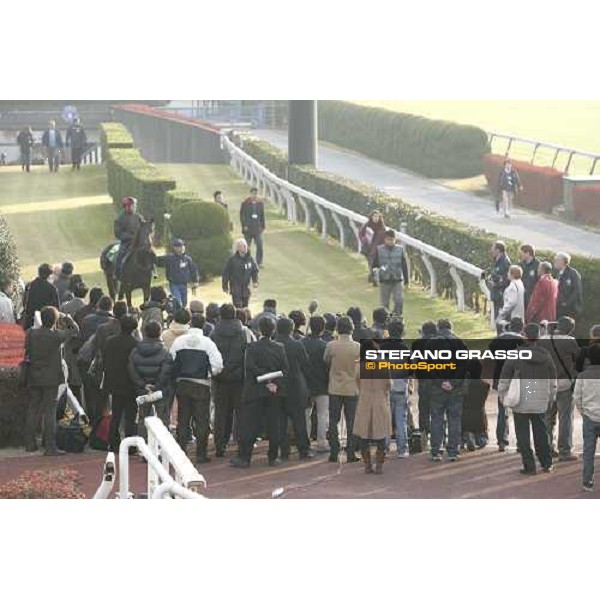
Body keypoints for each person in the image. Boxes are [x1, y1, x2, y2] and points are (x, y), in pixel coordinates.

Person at [499, 323, 557, 475]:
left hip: (520, 400)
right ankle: (547, 463)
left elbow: (504, 377)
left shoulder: (516, 354)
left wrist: (503, 395)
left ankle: (529, 466)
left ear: (524, 335)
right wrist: (551, 396)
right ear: (538, 336)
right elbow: (552, 379)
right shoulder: (546, 355)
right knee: (541, 432)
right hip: (540, 398)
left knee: (522, 434)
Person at [231, 317, 288, 468]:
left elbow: (250, 368)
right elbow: (284, 369)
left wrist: (265, 379)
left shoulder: (252, 348)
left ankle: (245, 457)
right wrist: (272, 382)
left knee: (250, 425)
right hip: (273, 391)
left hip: (255, 391)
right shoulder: (279, 348)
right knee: (274, 424)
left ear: (259, 330)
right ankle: (273, 457)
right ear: (273, 330)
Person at [24, 307, 79, 455]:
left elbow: (27, 350)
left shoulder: (30, 333)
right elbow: (75, 330)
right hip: (51, 377)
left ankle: (30, 443)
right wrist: (67, 317)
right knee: (50, 411)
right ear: (55, 320)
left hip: (34, 374)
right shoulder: (57, 335)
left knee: (33, 408)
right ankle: (50, 446)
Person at [170, 313, 223, 463]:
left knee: (183, 418)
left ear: (190, 323)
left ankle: (181, 452)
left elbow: (171, 360)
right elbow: (218, 365)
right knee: (201, 420)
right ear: (203, 325)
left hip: (183, 383)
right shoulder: (207, 343)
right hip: (201, 384)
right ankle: (201, 453)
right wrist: (210, 374)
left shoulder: (179, 341)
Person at [540, 316, 580, 461]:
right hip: (565, 384)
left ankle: (548, 448)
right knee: (565, 418)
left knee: (547, 418)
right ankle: (565, 450)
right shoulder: (570, 341)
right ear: (570, 329)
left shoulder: (543, 340)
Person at [210, 303, 247, 457]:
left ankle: (220, 445)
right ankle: (243, 445)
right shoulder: (243, 332)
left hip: (220, 378)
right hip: (238, 378)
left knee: (221, 413)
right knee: (241, 412)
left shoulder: (214, 333)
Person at [275, 318, 313, 461]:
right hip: (296, 386)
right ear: (291, 329)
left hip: (279, 385)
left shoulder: (274, 344)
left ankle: (284, 451)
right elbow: (306, 364)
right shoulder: (297, 345)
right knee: (299, 421)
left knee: (281, 422)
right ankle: (303, 450)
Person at [428, 327, 468, 462]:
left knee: (436, 419)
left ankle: (436, 450)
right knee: (454, 420)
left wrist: (440, 382)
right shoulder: (460, 344)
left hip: (437, 389)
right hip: (455, 389)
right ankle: (453, 451)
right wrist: (454, 383)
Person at [324, 316, 361, 464]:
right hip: (352, 388)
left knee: (333, 420)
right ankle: (351, 452)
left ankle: (334, 452)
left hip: (335, 387)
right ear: (352, 329)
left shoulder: (331, 345)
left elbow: (325, 360)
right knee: (352, 421)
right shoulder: (358, 347)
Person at [128, 321, 173, 435]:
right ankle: (163, 445)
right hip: (160, 390)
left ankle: (143, 444)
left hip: (143, 390)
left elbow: (132, 370)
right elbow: (166, 372)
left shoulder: (135, 351)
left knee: (143, 418)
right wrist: (156, 386)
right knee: (163, 419)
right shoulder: (165, 352)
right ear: (159, 333)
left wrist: (143, 385)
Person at [355, 339, 392, 474]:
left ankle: (367, 464)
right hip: (380, 400)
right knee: (381, 435)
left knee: (364, 435)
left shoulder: (358, 365)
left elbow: (357, 383)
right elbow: (389, 384)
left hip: (364, 401)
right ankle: (379, 465)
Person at [104, 315, 140, 451]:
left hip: (114, 382)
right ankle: (130, 446)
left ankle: (113, 443)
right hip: (130, 383)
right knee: (130, 416)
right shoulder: (135, 344)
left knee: (116, 414)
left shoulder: (110, 341)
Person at [489, 317, 524, 451]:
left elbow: (491, 354)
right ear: (521, 327)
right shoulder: (521, 341)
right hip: (517, 379)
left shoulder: (497, 340)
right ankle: (521, 443)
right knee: (520, 411)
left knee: (502, 411)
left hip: (501, 377)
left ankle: (501, 441)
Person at [382, 319, 411, 458]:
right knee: (401, 420)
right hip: (400, 387)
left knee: (386, 420)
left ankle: (384, 448)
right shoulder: (405, 348)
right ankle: (401, 449)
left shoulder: (382, 347)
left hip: (385, 388)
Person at [574, 343, 600, 492]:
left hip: (590, 417)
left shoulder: (582, 375)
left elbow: (577, 397)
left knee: (588, 452)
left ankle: (587, 481)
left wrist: (583, 412)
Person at [302, 315, 330, 453]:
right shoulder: (324, 345)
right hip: (322, 385)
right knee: (322, 415)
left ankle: (305, 442)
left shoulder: (302, 343)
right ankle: (322, 442)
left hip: (306, 384)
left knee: (306, 415)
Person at [371, 229, 409, 318]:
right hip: (384, 280)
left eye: (392, 239)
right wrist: (374, 277)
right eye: (388, 239)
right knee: (384, 304)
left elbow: (404, 265)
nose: (390, 241)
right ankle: (385, 321)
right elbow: (374, 265)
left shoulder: (400, 249)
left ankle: (397, 318)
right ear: (385, 239)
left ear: (395, 239)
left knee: (399, 300)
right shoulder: (379, 249)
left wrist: (407, 280)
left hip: (397, 280)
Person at [412, 320, 438, 447]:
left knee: (423, 409)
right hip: (437, 381)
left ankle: (424, 434)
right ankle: (438, 436)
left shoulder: (417, 343)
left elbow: (412, 363)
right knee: (437, 410)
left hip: (423, 380)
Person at [222, 238, 259, 308]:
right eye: (243, 246)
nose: (245, 248)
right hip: (236, 287)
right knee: (238, 306)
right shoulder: (232, 260)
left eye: (246, 246)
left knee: (245, 307)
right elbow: (226, 273)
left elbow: (254, 270)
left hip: (246, 288)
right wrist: (225, 286)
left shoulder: (250, 259)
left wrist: (255, 281)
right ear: (238, 248)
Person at [461, 360, 490, 451]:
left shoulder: (464, 386)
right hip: (479, 416)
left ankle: (467, 437)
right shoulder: (485, 385)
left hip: (464, 416)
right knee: (482, 436)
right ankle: (479, 439)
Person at [162, 238, 199, 308]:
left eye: (182, 246)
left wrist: (195, 281)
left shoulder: (187, 259)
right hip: (174, 285)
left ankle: (182, 317)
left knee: (184, 303)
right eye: (179, 246)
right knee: (178, 303)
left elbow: (193, 270)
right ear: (174, 248)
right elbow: (158, 261)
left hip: (184, 285)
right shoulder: (169, 258)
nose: (181, 248)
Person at [114, 196, 145, 279]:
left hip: (139, 242)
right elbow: (118, 233)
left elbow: (144, 228)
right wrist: (131, 237)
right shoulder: (119, 218)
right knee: (120, 254)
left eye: (135, 206)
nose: (134, 207)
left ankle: (152, 270)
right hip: (126, 243)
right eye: (132, 206)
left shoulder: (139, 217)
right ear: (126, 206)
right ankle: (117, 273)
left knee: (149, 252)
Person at [23, 263, 59, 329]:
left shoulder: (29, 285)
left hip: (30, 322)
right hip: (46, 324)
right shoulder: (52, 289)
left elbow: (24, 303)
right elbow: (56, 308)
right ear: (49, 275)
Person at [240, 187, 265, 268]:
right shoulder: (245, 203)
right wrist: (244, 226)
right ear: (250, 194)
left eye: (256, 194)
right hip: (248, 228)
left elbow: (262, 216)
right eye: (253, 193)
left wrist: (263, 226)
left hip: (258, 229)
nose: (255, 195)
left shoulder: (260, 204)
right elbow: (242, 216)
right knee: (246, 246)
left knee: (260, 245)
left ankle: (259, 262)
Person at [359, 210, 386, 285]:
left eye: (377, 216)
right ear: (371, 217)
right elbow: (361, 234)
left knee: (374, 263)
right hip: (367, 248)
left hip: (377, 249)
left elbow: (383, 237)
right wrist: (364, 240)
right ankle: (372, 276)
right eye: (374, 216)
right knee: (370, 263)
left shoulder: (382, 226)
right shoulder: (367, 224)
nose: (376, 218)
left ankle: (373, 277)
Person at [554, 252, 583, 319]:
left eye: (556, 260)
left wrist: (566, 303)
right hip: (560, 308)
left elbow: (577, 291)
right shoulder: (558, 273)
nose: (554, 262)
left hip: (570, 310)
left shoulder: (573, 273)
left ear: (562, 261)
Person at [488, 241, 511, 320]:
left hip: (501, 296)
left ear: (498, 250)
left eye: (493, 249)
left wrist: (496, 284)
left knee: (500, 320)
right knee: (496, 318)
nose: (492, 251)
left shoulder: (505, 262)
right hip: (495, 295)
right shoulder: (496, 260)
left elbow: (507, 280)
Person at [518, 244, 540, 309]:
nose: (520, 255)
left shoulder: (538, 265)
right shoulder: (520, 264)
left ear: (527, 253)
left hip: (532, 299)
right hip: (521, 298)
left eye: (522, 253)